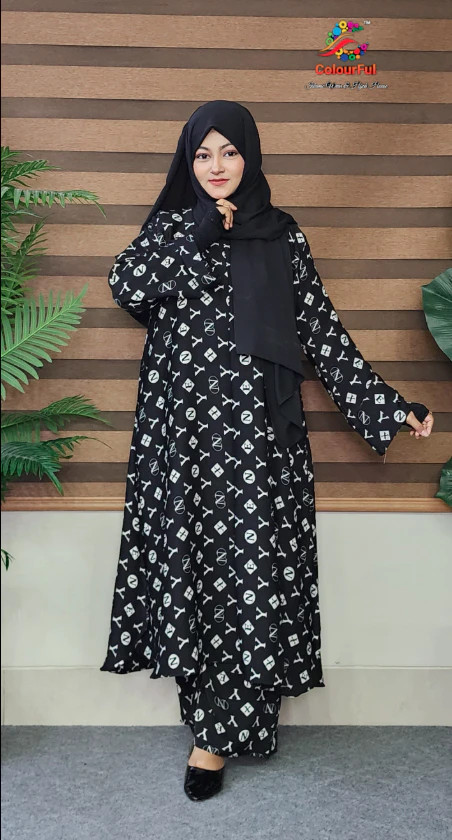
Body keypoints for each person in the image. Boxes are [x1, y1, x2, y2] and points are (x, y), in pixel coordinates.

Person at [100, 100, 434, 802]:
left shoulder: (283, 236)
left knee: (248, 576)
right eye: (202, 154)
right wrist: (198, 232)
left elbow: (321, 333)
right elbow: (127, 287)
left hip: (258, 439)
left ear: (250, 156)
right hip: (183, 439)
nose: (216, 166)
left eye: (229, 152)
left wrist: (388, 405)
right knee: (197, 571)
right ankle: (210, 729)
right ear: (188, 162)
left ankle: (220, 735)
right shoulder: (171, 229)